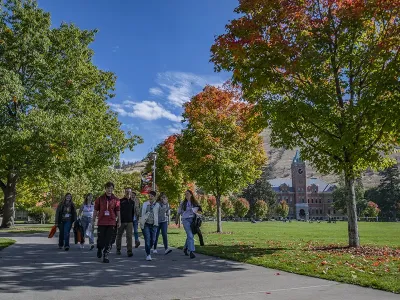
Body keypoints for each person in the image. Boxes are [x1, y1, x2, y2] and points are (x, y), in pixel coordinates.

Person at [92, 182, 121, 263]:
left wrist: (119, 221)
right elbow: (95, 210)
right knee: (101, 239)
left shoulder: (116, 199)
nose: (110, 190)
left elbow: (118, 211)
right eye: (108, 188)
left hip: (111, 222)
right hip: (102, 221)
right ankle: (99, 248)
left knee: (109, 240)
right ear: (105, 189)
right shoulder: (100, 199)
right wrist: (93, 220)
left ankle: (106, 255)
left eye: (111, 188)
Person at [177, 190, 201, 259]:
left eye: (187, 194)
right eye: (185, 194)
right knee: (190, 235)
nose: (186, 195)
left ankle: (185, 248)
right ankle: (191, 251)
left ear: (191, 194)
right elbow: (179, 212)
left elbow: (199, 211)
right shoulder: (183, 203)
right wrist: (176, 219)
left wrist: (198, 215)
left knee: (190, 236)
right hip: (185, 220)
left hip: (193, 221)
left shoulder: (195, 202)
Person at [140, 191, 159, 261]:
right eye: (149, 196)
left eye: (152, 196)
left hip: (154, 225)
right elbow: (141, 213)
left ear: (155, 197)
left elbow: (161, 212)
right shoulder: (145, 204)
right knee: (147, 239)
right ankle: (148, 254)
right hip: (146, 225)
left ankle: (148, 248)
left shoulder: (157, 205)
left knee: (153, 240)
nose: (150, 197)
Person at [116, 187, 135, 257]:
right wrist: (118, 221)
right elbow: (118, 211)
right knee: (119, 236)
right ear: (124, 192)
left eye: (129, 191)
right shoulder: (120, 201)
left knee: (129, 237)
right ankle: (118, 249)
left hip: (130, 221)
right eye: (126, 191)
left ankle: (129, 251)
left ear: (131, 192)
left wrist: (133, 220)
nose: (128, 193)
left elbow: (133, 212)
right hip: (121, 221)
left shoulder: (132, 202)